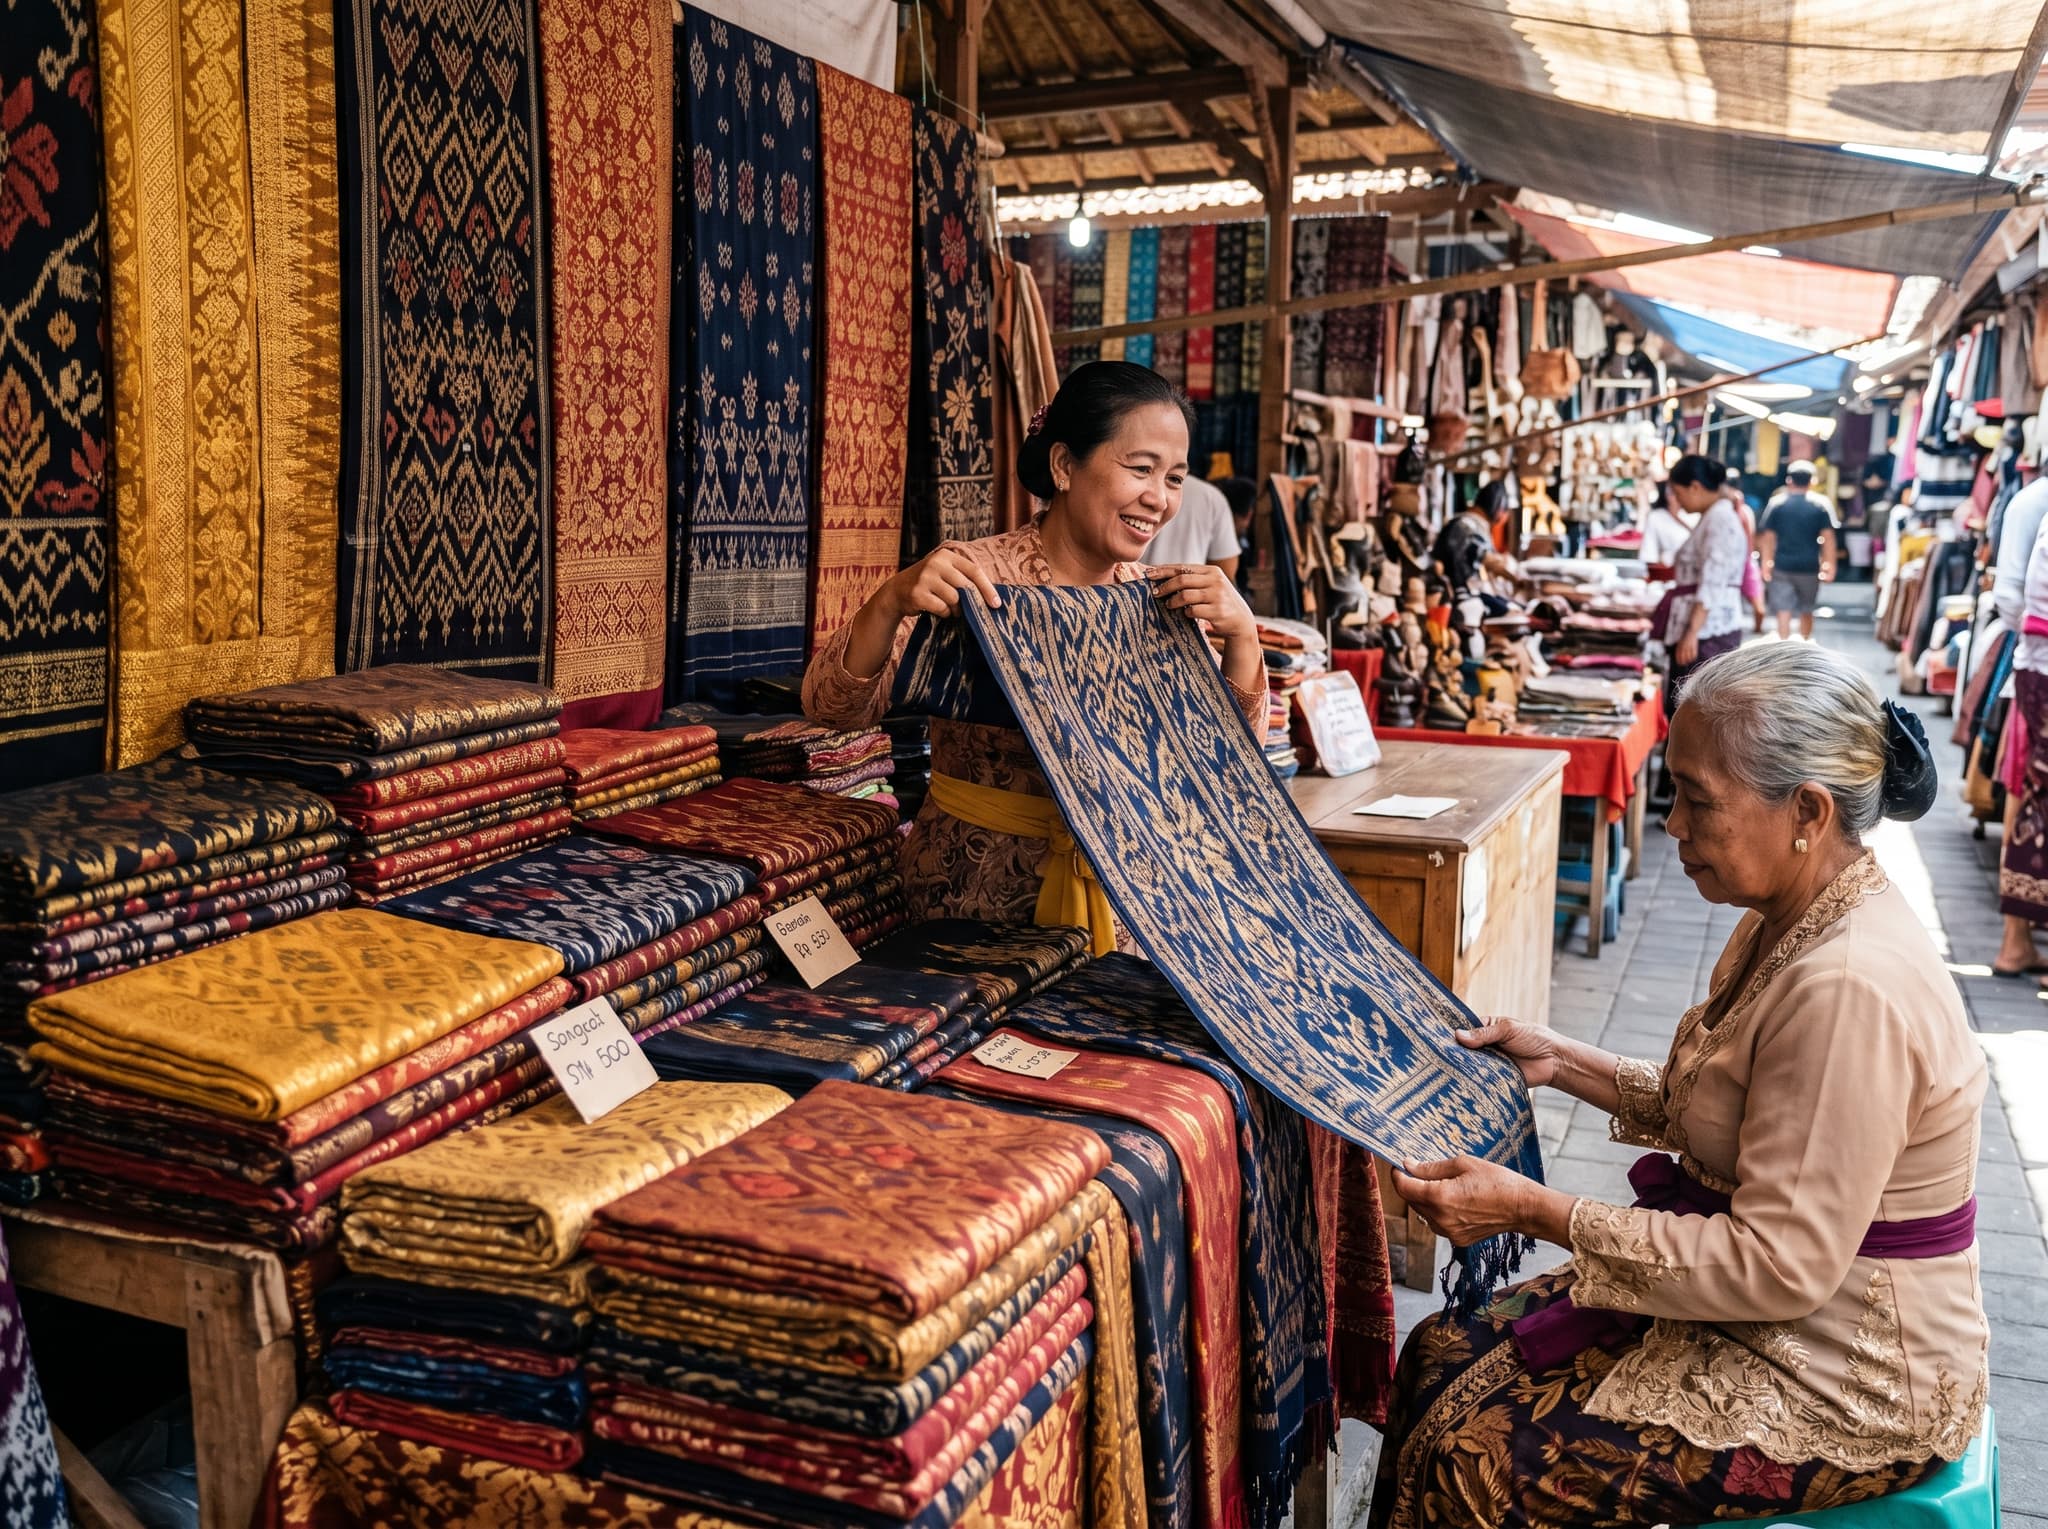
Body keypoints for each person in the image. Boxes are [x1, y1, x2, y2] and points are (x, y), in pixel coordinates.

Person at [1369, 641, 1983, 1529]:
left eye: (1698, 800)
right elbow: (1739, 1105)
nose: (1674, 826)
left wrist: (1533, 1209)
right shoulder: (1793, 913)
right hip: (1770, 1303)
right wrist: (1562, 1060)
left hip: (1843, 1367)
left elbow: (1778, 1267)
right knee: (1437, 1353)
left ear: (1806, 810)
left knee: (1475, 1459)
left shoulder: (1848, 984)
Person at [801, 360, 1266, 954]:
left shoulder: (1164, 601)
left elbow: (1225, 771)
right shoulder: (973, 578)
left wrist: (1243, 640)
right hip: (970, 899)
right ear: (1065, 465)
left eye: (1175, 478)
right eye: (1141, 469)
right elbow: (831, 709)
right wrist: (891, 599)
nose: (1159, 499)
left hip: (1127, 907)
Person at [1997, 476, 2048, 977]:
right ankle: (2016, 943)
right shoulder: (2035, 502)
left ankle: (2016, 942)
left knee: (2034, 799)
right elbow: (2008, 595)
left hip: (2035, 666)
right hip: (2039, 665)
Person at [1659, 453, 1745, 715]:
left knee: (1692, 709)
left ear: (1695, 486)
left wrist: (1692, 632)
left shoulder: (1720, 519)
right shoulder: (1714, 516)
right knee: (1685, 706)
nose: (1676, 499)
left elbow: (1712, 581)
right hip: (1702, 628)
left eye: (1678, 492)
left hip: (1707, 632)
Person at [1758, 461, 1841, 640]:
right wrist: (1830, 566)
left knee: (1783, 608)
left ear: (1789, 480)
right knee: (1807, 608)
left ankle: (1784, 645)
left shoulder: (1776, 504)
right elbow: (1828, 539)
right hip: (1810, 566)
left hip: (1781, 566)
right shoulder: (1821, 505)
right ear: (1812, 481)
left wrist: (1766, 563)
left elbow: (1768, 537)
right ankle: (1804, 645)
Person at [1144, 471, 1239, 579]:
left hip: (1131, 588)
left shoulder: (1212, 498)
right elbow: (1225, 573)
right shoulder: (1211, 496)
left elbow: (1224, 573)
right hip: (1188, 592)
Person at [1637, 482, 1695, 566]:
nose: (1676, 497)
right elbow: (1649, 554)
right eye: (1672, 493)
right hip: (1667, 571)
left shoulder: (1695, 514)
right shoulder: (1655, 517)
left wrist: (1677, 517)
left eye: (1679, 493)